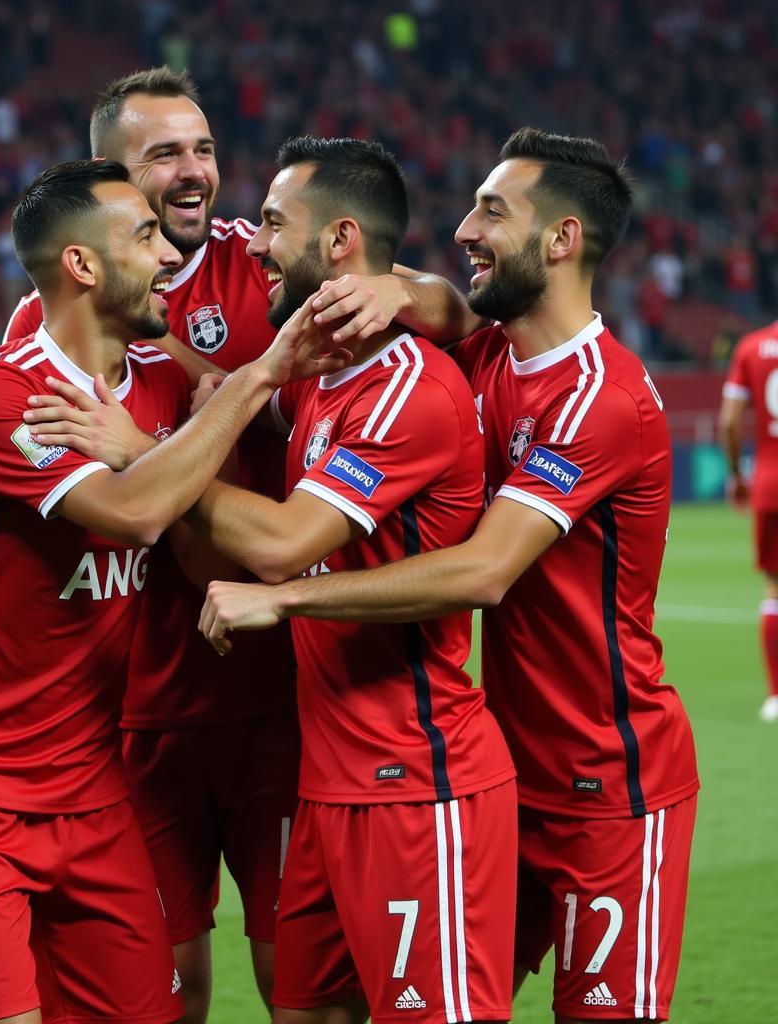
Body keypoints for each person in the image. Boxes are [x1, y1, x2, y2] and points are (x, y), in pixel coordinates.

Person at [0, 65, 469, 1022]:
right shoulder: (57, 315)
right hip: (133, 716)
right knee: (165, 994)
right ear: (106, 175)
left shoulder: (261, 267)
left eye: (204, 148)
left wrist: (402, 291)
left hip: (279, 699)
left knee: (296, 983)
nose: (193, 171)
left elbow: (456, 312)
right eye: (163, 153)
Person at [0, 158, 345, 1024]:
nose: (169, 256)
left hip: (98, 798)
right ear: (83, 267)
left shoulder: (170, 388)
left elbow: (197, 562)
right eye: (142, 238)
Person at [200, 128, 700, 1024]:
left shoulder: (601, 398)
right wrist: (399, 288)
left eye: (491, 211)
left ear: (562, 241)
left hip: (607, 784)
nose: (464, 229)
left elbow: (482, 571)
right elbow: (441, 306)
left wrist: (285, 596)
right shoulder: (487, 356)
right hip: (500, 763)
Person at [719, 317, 778, 721]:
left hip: (770, 483)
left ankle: (776, 694)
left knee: (774, 588)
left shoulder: (752, 347)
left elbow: (728, 420)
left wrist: (739, 476)